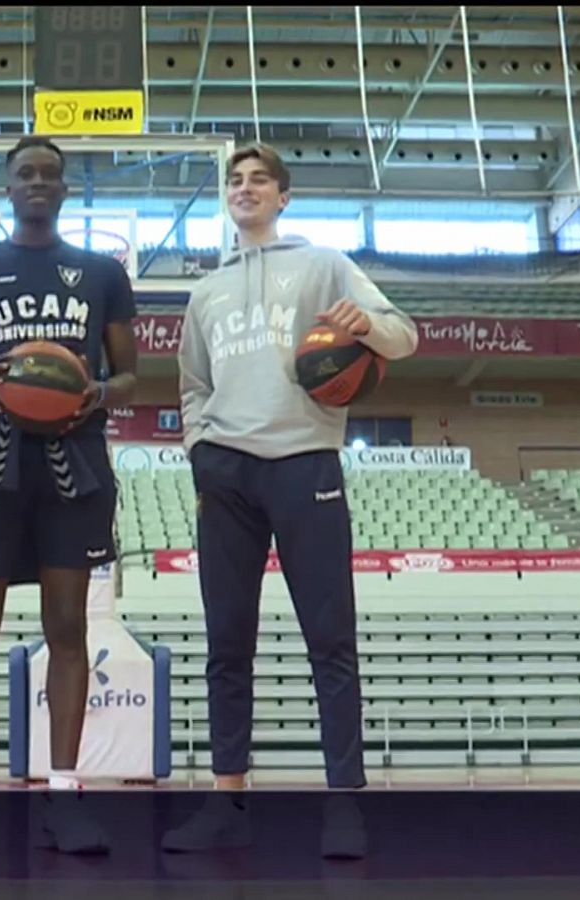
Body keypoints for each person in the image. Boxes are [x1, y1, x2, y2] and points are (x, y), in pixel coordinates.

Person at [161, 143, 418, 856]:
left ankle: (343, 805)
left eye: (258, 180)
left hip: (307, 467)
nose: (244, 189)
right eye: (235, 181)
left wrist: (368, 328)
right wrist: (199, 453)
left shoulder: (323, 263)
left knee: (330, 642)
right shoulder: (206, 291)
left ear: (283, 196)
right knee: (226, 646)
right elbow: (191, 386)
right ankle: (226, 801)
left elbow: (406, 335)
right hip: (228, 476)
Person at [0, 136, 139, 856]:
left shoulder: (101, 271)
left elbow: (131, 375)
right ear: (6, 189)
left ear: (65, 189)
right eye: (25, 175)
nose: (38, 183)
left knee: (69, 625)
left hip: (74, 462)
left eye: (49, 174)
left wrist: (99, 391)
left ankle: (66, 793)